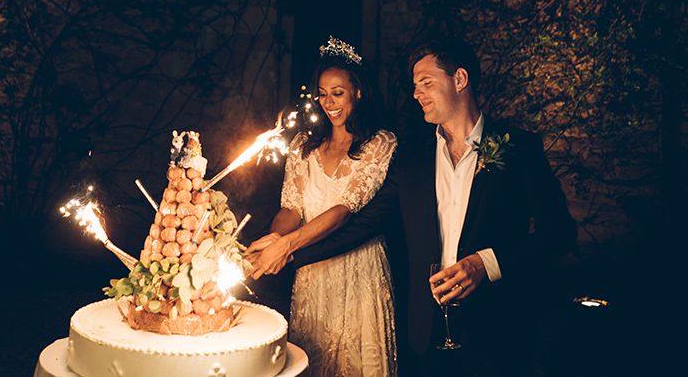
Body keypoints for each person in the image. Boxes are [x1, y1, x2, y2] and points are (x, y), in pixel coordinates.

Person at [290, 37, 577, 376]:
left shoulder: (518, 148)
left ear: (459, 80)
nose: (417, 94)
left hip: (496, 332)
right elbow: (365, 224)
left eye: (426, 83)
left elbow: (560, 233)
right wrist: (289, 253)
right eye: (414, 86)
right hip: (425, 339)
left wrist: (486, 264)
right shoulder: (412, 158)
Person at [247, 36, 398, 376]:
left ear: (358, 92)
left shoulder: (380, 143)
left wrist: (287, 246)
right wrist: (273, 239)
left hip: (359, 272)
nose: (328, 102)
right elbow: (291, 210)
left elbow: (345, 210)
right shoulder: (302, 145)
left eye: (338, 92)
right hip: (312, 276)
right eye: (322, 92)